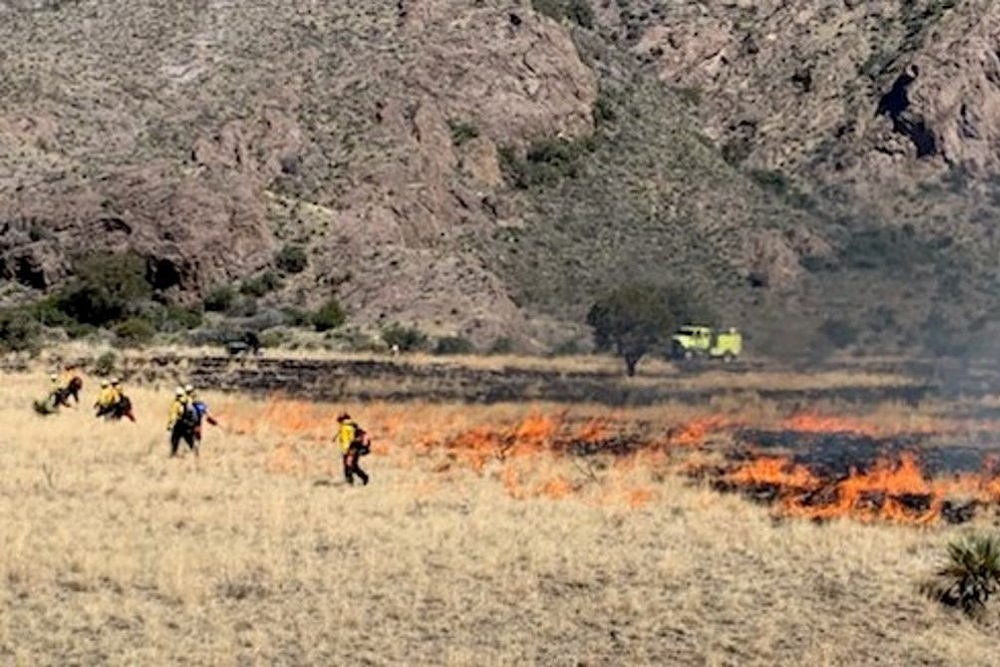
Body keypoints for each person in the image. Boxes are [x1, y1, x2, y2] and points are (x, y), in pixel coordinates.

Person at [335, 412, 370, 486]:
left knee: (349, 466)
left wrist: (346, 450)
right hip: (354, 448)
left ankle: (352, 481)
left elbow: (347, 440)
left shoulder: (345, 427)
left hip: (351, 449)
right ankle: (362, 478)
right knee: (352, 465)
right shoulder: (351, 425)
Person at [166, 386, 198, 457]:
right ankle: (196, 454)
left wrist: (170, 424)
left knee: (174, 439)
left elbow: (173, 415)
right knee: (190, 440)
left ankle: (173, 454)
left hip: (180, 424)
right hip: (188, 424)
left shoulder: (176, 403)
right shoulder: (188, 400)